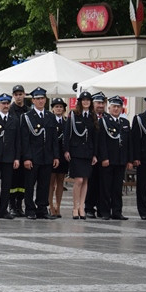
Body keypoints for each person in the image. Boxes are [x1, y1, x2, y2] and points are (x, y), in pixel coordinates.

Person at [20, 87, 58, 220]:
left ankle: (42, 208)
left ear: (46, 100)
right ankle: (30, 209)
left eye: (42, 98)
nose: (40, 101)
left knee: (44, 184)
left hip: (47, 156)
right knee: (30, 184)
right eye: (37, 99)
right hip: (33, 157)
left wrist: (56, 156)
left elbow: (54, 138)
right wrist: (27, 157)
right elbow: (24, 139)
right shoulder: (27, 117)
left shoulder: (50, 116)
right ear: (33, 100)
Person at [96, 95, 131, 220]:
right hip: (108, 160)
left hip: (121, 160)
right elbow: (101, 142)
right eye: (114, 107)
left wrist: (129, 160)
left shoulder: (125, 122)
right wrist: (104, 158)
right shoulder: (104, 121)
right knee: (105, 187)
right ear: (109, 108)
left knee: (117, 188)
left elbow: (128, 143)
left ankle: (117, 211)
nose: (116, 109)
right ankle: (105, 211)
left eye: (118, 107)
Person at [64, 91, 97, 220]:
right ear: (80, 102)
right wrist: (66, 150)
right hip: (76, 152)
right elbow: (67, 134)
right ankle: (75, 207)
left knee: (85, 181)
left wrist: (95, 154)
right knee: (78, 180)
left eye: (88, 100)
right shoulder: (74, 115)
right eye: (83, 100)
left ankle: (82, 207)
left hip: (88, 152)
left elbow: (95, 137)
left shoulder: (92, 116)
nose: (86, 102)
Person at [83, 92, 108, 218]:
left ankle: (102, 209)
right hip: (91, 155)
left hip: (104, 157)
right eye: (98, 103)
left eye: (102, 103)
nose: (101, 105)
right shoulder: (88, 117)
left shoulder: (107, 118)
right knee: (90, 184)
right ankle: (89, 207)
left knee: (102, 185)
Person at [8, 84, 29, 217]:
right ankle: (11, 204)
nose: (19, 96)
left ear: (24, 95)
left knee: (23, 180)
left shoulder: (28, 110)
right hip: (13, 149)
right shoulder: (10, 110)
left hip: (25, 149)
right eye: (16, 94)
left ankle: (19, 204)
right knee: (12, 179)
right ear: (13, 96)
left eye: (20, 94)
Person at [48, 98, 69, 217]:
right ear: (53, 109)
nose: (59, 109)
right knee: (51, 181)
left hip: (63, 154)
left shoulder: (66, 122)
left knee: (61, 181)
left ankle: (58, 206)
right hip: (52, 154)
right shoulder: (50, 121)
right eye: (56, 107)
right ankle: (50, 206)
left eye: (61, 107)